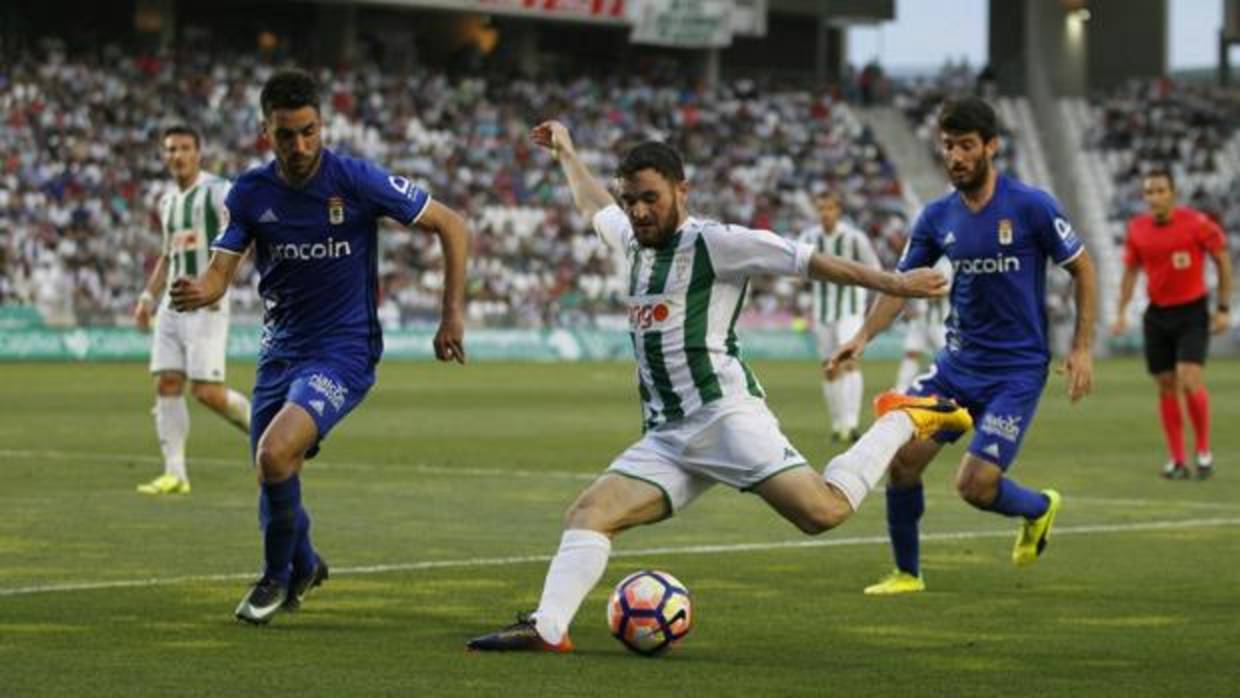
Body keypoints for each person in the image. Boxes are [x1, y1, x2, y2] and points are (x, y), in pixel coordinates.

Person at [466, 121, 967, 653]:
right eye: (631, 200)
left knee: (823, 512)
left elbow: (805, 261)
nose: (638, 211)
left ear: (682, 191)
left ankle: (901, 418)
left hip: (725, 418)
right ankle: (548, 627)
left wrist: (895, 283)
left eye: (650, 199)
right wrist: (567, 152)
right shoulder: (632, 241)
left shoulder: (716, 243)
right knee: (588, 515)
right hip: (668, 435)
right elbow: (594, 207)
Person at [169, 69, 470, 624]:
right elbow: (219, 274)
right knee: (273, 473)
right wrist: (198, 290)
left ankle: (275, 579)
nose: (301, 145)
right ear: (267, 133)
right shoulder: (250, 192)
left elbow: (453, 225)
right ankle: (304, 563)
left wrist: (451, 314)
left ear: (322, 125)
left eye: (309, 131)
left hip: (344, 351)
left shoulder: (354, 180)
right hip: (279, 351)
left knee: (275, 454)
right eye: (287, 135)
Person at [829, 96, 1097, 595]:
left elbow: (1083, 268)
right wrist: (862, 336)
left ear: (991, 146)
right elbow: (900, 283)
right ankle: (907, 574)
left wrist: (1081, 348)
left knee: (974, 487)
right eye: (948, 146)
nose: (955, 156)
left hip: (1015, 372)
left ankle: (1039, 508)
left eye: (966, 146)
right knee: (903, 460)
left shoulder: (1030, 206)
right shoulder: (936, 218)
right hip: (956, 368)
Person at [133, 125, 252, 495]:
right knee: (166, 382)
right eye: (170, 149)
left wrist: (219, 282)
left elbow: (245, 237)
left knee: (206, 392)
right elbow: (168, 256)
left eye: (184, 148)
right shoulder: (168, 202)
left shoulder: (219, 191)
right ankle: (176, 474)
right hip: (171, 305)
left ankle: (264, 429)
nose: (177, 156)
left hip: (206, 301)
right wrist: (147, 298)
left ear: (198, 153)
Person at [1110, 169, 1231, 480]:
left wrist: (1223, 307)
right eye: (1149, 192)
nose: (1154, 197)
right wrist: (1121, 311)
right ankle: (1177, 460)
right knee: (1166, 385)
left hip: (1192, 312)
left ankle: (1203, 453)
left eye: (1160, 190)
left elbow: (1222, 258)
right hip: (1157, 315)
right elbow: (1130, 273)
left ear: (1172, 193)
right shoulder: (1137, 229)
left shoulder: (1197, 223)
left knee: (1189, 378)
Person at [797, 191, 882, 442]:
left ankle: (852, 423)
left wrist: (868, 303)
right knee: (829, 368)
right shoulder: (809, 238)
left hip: (850, 310)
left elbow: (874, 269)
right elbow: (796, 267)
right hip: (822, 312)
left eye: (830, 208)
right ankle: (837, 425)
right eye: (821, 208)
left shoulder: (854, 238)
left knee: (849, 361)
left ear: (839, 211)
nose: (825, 213)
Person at [894, 258, 952, 392]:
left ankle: (950, 391)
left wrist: (923, 292)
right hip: (920, 319)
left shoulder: (946, 263)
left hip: (940, 321)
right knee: (911, 352)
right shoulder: (922, 258)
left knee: (946, 357)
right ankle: (900, 390)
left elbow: (947, 289)